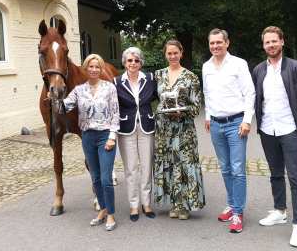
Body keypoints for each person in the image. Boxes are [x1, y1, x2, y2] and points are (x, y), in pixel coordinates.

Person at [252, 26, 297, 247]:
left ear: (282, 42)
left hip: (290, 130)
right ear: (263, 45)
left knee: (296, 178)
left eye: (274, 41)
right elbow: (257, 99)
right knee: (275, 173)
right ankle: (280, 211)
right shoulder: (259, 70)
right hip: (268, 130)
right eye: (267, 42)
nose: (271, 45)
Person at [202, 28, 255, 233]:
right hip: (216, 123)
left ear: (227, 43)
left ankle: (238, 213)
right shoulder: (206, 66)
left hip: (236, 123)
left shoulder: (238, 64)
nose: (215, 46)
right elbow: (207, 92)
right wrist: (207, 116)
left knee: (237, 169)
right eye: (212, 43)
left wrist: (247, 120)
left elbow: (250, 93)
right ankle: (232, 205)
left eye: (219, 42)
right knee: (224, 168)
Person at [63, 54, 120, 231]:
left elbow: (115, 113)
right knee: (95, 177)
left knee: (105, 178)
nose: (94, 69)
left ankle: (111, 214)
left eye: (97, 67)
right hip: (87, 137)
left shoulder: (109, 88)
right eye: (91, 67)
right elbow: (64, 106)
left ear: (101, 69)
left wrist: (112, 136)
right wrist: (54, 96)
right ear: (86, 69)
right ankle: (102, 210)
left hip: (105, 136)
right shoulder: (79, 90)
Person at [153, 39, 205, 220]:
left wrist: (181, 112)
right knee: (168, 163)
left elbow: (196, 107)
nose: (173, 56)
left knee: (184, 163)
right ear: (165, 55)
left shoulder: (191, 77)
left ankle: (184, 205)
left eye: (176, 53)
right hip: (164, 128)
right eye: (169, 53)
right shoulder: (158, 75)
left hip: (184, 128)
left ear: (181, 53)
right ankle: (174, 202)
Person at [114, 47, 157, 222]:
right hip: (126, 128)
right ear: (124, 62)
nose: (133, 63)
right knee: (131, 168)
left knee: (146, 167)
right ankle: (133, 204)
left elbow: (158, 97)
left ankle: (146, 203)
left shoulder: (150, 79)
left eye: (136, 60)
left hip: (146, 126)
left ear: (141, 63)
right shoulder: (116, 82)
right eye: (130, 60)